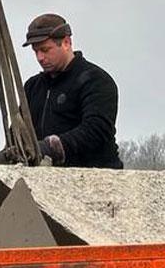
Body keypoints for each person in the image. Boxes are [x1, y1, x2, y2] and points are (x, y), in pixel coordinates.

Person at [22, 13, 123, 168]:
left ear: (66, 42)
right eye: (36, 52)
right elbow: (19, 132)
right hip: (44, 181)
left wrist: (52, 147)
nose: (40, 57)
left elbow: (96, 130)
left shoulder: (96, 81)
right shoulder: (32, 88)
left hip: (95, 179)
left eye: (45, 49)